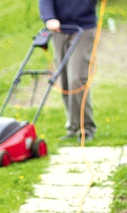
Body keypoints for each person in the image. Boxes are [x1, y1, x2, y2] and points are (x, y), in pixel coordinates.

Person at [39, 0, 97, 142]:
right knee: (64, 81)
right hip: (58, 29)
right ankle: (73, 127)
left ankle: (86, 128)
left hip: (84, 28)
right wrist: (49, 18)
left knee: (76, 78)